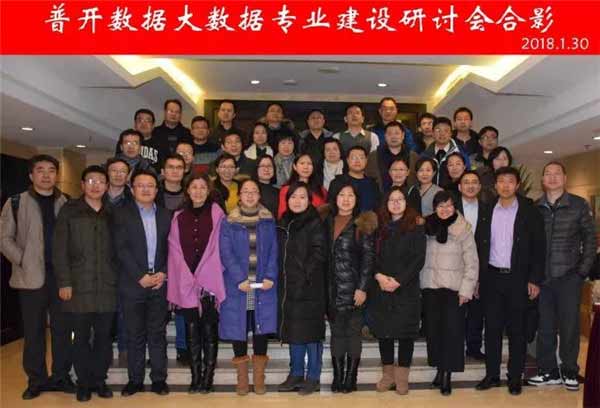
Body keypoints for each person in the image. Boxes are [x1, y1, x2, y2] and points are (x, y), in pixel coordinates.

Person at [0, 154, 74, 400]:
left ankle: (61, 377)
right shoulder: (15, 202)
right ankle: (36, 380)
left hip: (61, 278)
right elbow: (4, 238)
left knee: (62, 330)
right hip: (30, 278)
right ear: (31, 175)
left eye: (51, 170)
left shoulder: (66, 201)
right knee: (34, 333)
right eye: (40, 170)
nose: (46, 175)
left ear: (57, 175)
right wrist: (22, 259)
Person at [475, 166, 546, 396]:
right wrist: (478, 279)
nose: (505, 185)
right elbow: (479, 246)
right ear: (495, 185)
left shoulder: (530, 211)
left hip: (519, 279)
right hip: (491, 278)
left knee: (517, 330)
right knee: (492, 329)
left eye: (510, 181)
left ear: (517, 185)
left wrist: (534, 279)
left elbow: (539, 248)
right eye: (501, 181)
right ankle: (492, 375)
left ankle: (515, 377)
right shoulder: (486, 209)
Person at [527, 162, 596, 391]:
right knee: (545, 327)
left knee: (569, 327)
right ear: (542, 180)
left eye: (557, 174)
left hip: (569, 277)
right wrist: (532, 276)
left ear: (565, 178)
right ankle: (548, 371)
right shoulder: (536, 207)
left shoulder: (578, 205)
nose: (553, 177)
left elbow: (590, 240)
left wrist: (581, 272)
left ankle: (569, 371)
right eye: (548, 173)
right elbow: (530, 244)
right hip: (543, 280)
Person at [53, 165, 116, 402]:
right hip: (78, 287)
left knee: (103, 339)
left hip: (107, 287)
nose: (95, 185)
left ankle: (99, 380)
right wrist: (64, 282)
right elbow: (59, 250)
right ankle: (83, 383)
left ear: (107, 186)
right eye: (91, 181)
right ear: (82, 185)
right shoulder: (69, 210)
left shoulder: (113, 213)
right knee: (79, 338)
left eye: (100, 181)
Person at [113, 169, 171, 397]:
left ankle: (159, 379)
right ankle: (135, 380)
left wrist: (164, 273)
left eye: (150, 185)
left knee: (157, 334)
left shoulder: (166, 215)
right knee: (134, 334)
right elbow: (120, 248)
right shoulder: (120, 214)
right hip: (132, 283)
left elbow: (173, 249)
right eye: (140, 185)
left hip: (159, 283)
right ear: (132, 189)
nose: (146, 189)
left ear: (157, 190)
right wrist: (140, 276)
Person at [167, 173, 226, 394]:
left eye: (202, 187)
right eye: (194, 187)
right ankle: (195, 377)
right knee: (192, 333)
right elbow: (174, 249)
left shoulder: (217, 213)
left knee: (209, 332)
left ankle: (208, 378)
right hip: (186, 281)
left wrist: (204, 274)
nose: (198, 191)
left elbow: (219, 247)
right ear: (187, 190)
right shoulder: (178, 216)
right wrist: (186, 275)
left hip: (209, 282)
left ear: (208, 190)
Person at [219, 179, 278, 396]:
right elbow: (226, 253)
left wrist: (270, 275)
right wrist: (238, 278)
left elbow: (274, 251)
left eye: (254, 191)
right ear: (239, 195)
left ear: (259, 195)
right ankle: (242, 380)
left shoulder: (268, 220)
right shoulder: (229, 221)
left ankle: (259, 380)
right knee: (239, 329)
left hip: (262, 285)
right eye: (246, 191)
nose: (250, 195)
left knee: (260, 328)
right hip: (239, 286)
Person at [421, 190, 479, 396]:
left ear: (454, 207)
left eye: (449, 205)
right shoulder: (427, 226)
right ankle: (439, 369)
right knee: (434, 333)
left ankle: (446, 375)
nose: (445, 209)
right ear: (434, 208)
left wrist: (466, 290)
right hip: (430, 287)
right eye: (440, 206)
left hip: (454, 290)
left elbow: (472, 262)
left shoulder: (463, 228)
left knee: (451, 333)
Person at [369, 187, 426, 395]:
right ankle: (388, 376)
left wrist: (399, 281)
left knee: (405, 334)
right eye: (392, 200)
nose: (396, 203)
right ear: (386, 204)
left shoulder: (416, 226)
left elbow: (418, 259)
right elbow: (370, 255)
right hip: (381, 286)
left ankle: (402, 378)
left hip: (406, 288)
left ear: (406, 203)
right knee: (384, 332)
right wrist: (378, 276)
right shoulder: (378, 226)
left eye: (400, 199)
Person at [323, 181, 376, 394]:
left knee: (353, 334)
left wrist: (362, 288)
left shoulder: (361, 224)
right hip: (332, 290)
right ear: (335, 198)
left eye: (350, 195)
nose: (346, 199)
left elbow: (368, 259)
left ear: (356, 200)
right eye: (342, 195)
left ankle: (351, 377)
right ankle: (338, 376)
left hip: (354, 290)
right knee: (337, 334)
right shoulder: (326, 222)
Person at [277, 182, 327, 395]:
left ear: (309, 201)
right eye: (293, 197)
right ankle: (296, 373)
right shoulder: (283, 222)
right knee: (294, 331)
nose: (297, 201)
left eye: (302, 197)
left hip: (309, 288)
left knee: (311, 334)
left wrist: (304, 277)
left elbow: (319, 254)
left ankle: (313, 377)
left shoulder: (315, 222)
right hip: (288, 287)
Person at [456, 171, 491, 361]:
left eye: (474, 182)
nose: (470, 186)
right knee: (456, 310)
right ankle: (455, 347)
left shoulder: (488, 210)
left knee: (477, 310)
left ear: (479, 186)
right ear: (459, 186)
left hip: (480, 266)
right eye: (466, 182)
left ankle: (474, 347)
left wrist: (479, 275)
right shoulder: (451, 209)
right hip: (455, 267)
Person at [102, 157, 132, 365]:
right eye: (114, 170)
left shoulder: (134, 199)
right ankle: (100, 353)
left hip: (126, 263)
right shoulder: (95, 197)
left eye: (123, 171)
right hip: (99, 262)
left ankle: (125, 350)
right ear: (107, 173)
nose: (118, 174)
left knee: (124, 309)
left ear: (128, 175)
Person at [366, 121, 418, 192]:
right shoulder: (373, 156)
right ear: (385, 136)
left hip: (408, 196)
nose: (393, 137)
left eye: (397, 133)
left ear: (403, 135)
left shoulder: (413, 156)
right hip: (380, 196)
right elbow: (368, 177)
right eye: (389, 133)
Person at [329, 146, 381, 213]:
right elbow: (331, 207)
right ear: (347, 160)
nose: (357, 161)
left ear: (366, 160)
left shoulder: (373, 184)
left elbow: (378, 207)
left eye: (361, 158)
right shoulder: (337, 182)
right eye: (353, 158)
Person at [421, 116, 470, 187]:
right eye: (438, 130)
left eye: (446, 130)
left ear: (451, 133)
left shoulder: (461, 153)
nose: (442, 133)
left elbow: (467, 177)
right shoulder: (425, 155)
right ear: (433, 133)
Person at [278, 154, 327, 219]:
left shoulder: (321, 190)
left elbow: (325, 214)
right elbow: (282, 215)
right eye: (302, 163)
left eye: (309, 164)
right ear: (295, 166)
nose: (305, 167)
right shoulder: (286, 189)